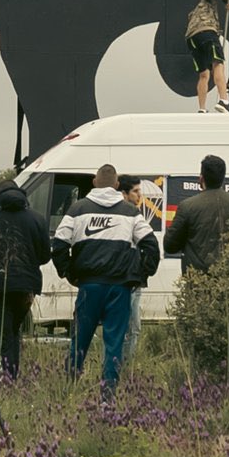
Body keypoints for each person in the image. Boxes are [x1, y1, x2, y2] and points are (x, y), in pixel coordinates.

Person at [52, 164, 161, 395]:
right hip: (120, 288)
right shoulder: (131, 213)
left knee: (80, 340)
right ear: (117, 185)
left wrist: (69, 273)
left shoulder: (77, 209)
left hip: (89, 284)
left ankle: (69, 391)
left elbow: (59, 245)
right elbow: (151, 246)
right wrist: (139, 276)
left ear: (94, 182)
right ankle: (108, 396)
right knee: (114, 344)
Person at [0, 178, 52, 378]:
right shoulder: (37, 219)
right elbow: (45, 256)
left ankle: (8, 379)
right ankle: (12, 376)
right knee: (14, 331)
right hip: (26, 286)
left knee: (2, 335)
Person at [164, 155, 229, 274]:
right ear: (223, 178)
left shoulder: (187, 206)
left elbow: (170, 245)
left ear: (201, 178)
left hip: (200, 282)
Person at [117, 174, 162, 344]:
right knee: (129, 328)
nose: (139, 196)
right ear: (124, 194)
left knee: (132, 327)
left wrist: (143, 272)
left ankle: (123, 365)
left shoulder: (136, 216)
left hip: (132, 277)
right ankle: (123, 365)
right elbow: (151, 246)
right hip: (128, 279)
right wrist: (144, 271)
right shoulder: (128, 216)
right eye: (135, 192)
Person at [183, 0, 229, 113]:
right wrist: (227, 0)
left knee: (204, 74)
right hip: (207, 33)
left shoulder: (194, 15)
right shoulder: (206, 1)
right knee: (218, 64)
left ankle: (202, 108)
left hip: (192, 39)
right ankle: (224, 100)